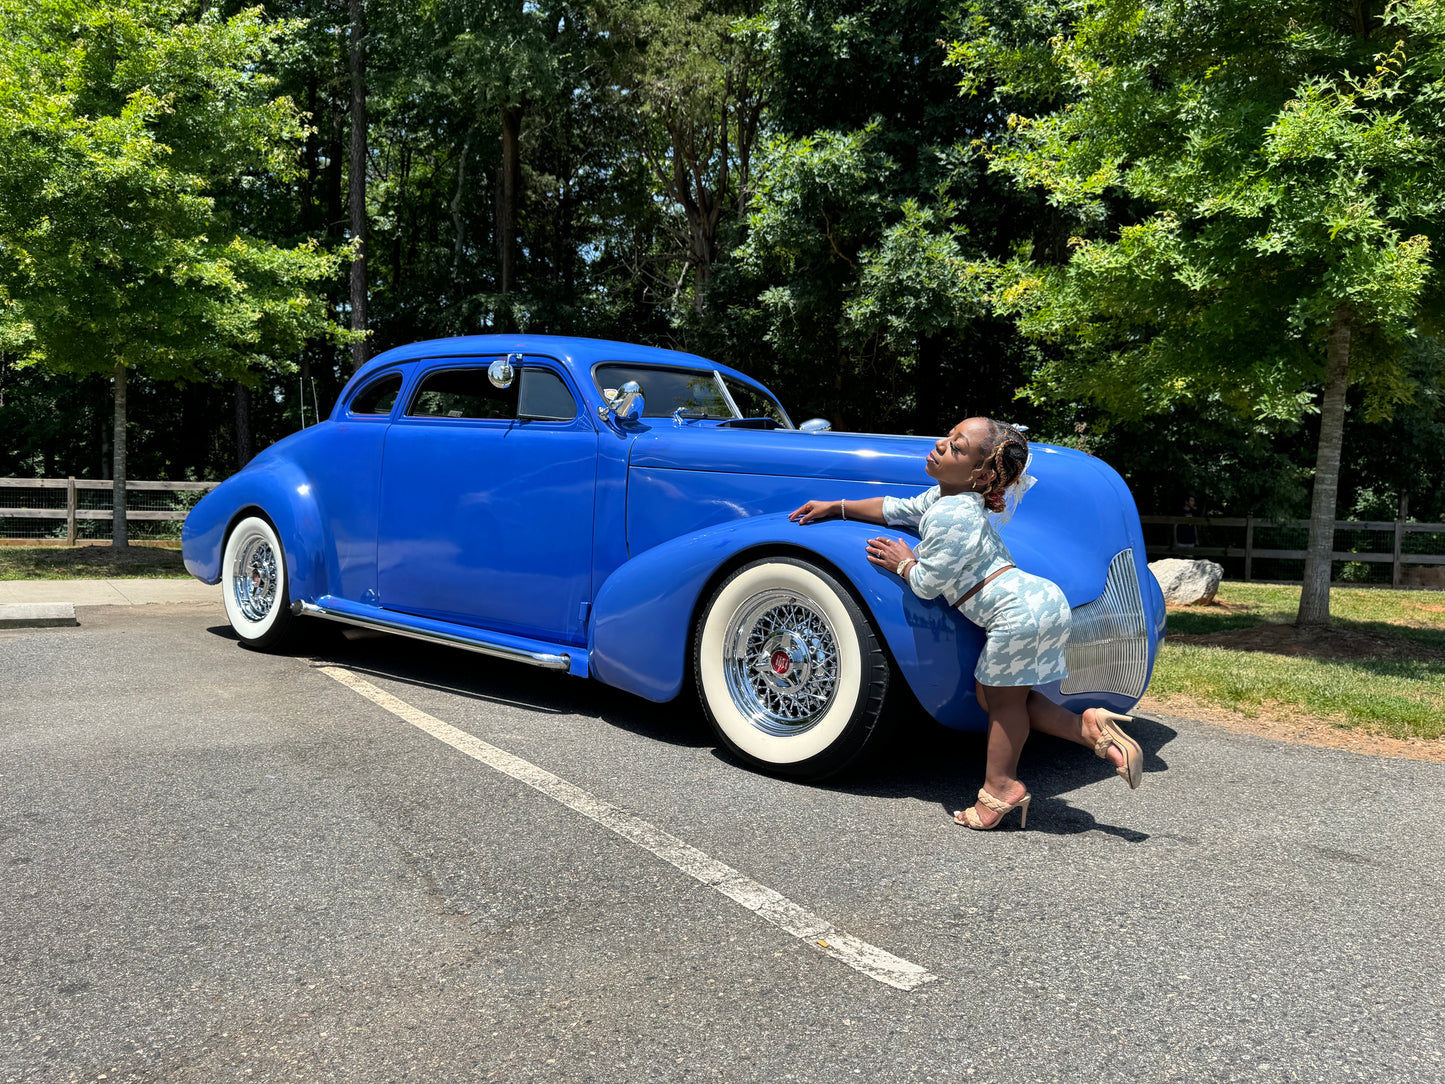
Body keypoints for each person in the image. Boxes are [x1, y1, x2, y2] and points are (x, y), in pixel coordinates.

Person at [788, 416, 1143, 830]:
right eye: (949, 438)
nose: (941, 446)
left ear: (982, 475)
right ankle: (1090, 727)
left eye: (957, 448)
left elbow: (924, 584)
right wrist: (838, 506)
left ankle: (1001, 789)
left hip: (1018, 613)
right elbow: (894, 509)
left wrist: (904, 562)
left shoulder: (951, 516)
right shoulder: (946, 499)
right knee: (992, 697)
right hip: (1034, 603)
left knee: (1003, 704)